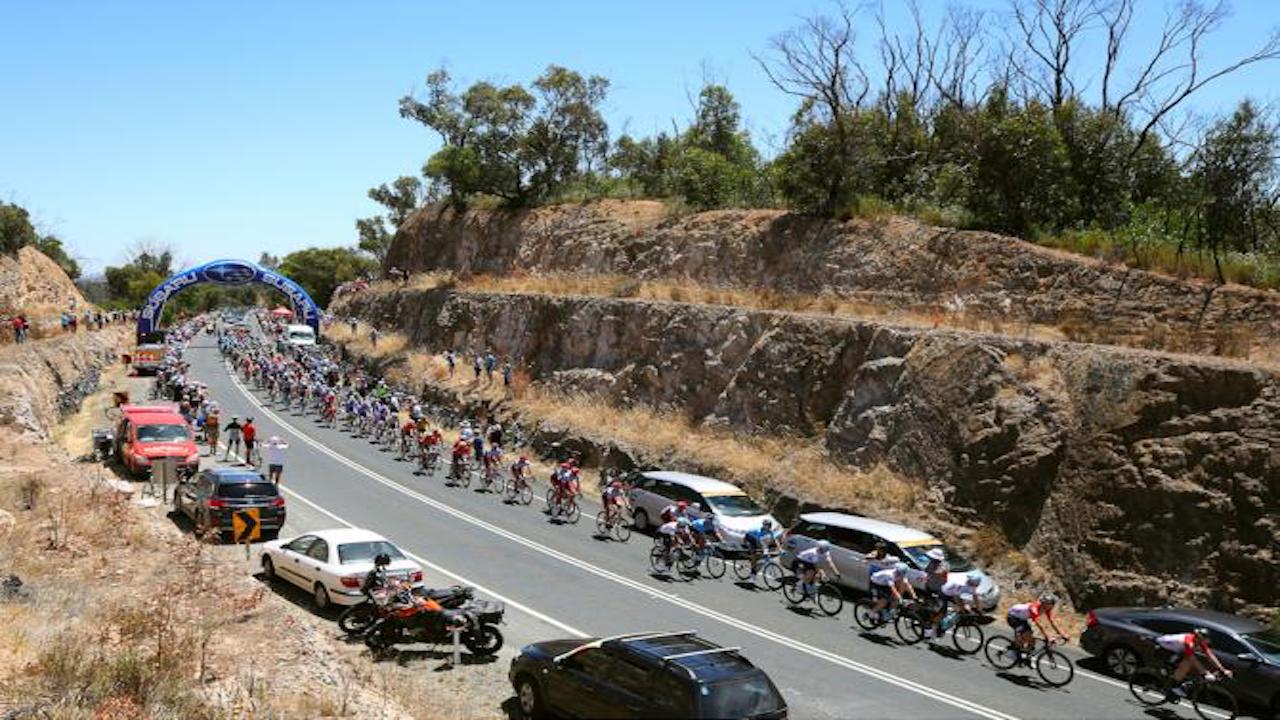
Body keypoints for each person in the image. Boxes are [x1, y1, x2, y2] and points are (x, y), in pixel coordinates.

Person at [1155, 628, 1233, 699]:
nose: (1206, 642)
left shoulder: (1199, 640)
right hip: (1163, 650)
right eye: (1205, 640)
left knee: (1189, 662)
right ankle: (1174, 686)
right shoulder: (1189, 643)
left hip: (1176, 651)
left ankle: (1175, 681)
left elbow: (1210, 655)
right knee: (1188, 662)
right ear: (1199, 638)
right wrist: (1205, 673)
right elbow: (1192, 659)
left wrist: (1222, 669)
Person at [926, 571, 983, 639]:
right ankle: (930, 629)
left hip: (952, 594)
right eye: (977, 584)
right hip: (944, 593)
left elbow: (976, 597)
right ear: (973, 583)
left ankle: (947, 622)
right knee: (942, 613)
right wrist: (961, 608)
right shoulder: (961, 584)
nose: (977, 586)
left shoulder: (972, 586)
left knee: (965, 608)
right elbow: (957, 598)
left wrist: (979, 610)